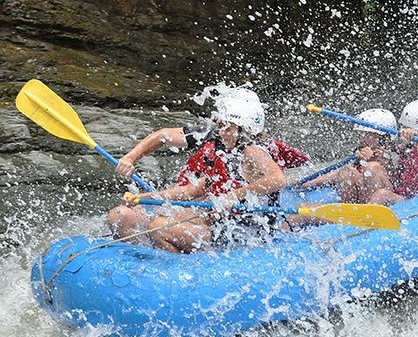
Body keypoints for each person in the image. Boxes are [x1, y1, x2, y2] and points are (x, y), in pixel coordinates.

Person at [108, 96, 288, 253]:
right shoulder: (222, 148)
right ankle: (145, 258)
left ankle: (175, 269)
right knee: (120, 215)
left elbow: (278, 179)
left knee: (159, 227)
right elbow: (191, 190)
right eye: (220, 124)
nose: (221, 131)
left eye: (228, 127)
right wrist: (142, 197)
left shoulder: (253, 151)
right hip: (216, 223)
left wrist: (234, 196)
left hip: (245, 232)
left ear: (245, 129)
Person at [299, 108, 399, 204]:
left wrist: (372, 156)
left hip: (386, 197)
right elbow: (335, 174)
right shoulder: (361, 151)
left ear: (383, 136)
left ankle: (370, 211)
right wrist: (306, 184)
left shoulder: (391, 152)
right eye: (361, 134)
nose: (362, 139)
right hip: (367, 198)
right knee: (347, 172)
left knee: (372, 167)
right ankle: (347, 208)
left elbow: (387, 161)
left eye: (368, 135)